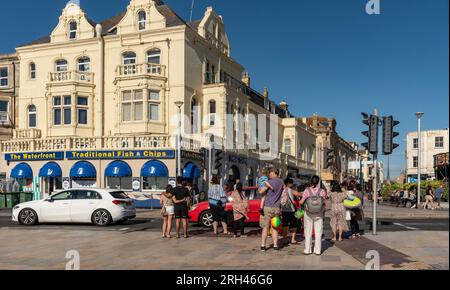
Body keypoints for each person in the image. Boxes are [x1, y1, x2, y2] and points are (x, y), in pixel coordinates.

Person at [300, 175, 327, 255]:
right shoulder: (322, 191)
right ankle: (317, 251)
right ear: (318, 182)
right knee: (318, 232)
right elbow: (324, 202)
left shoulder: (306, 190)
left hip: (308, 214)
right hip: (319, 214)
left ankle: (307, 250)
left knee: (308, 232)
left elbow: (301, 202)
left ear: (311, 181)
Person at [259, 168, 284, 251]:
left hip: (267, 207)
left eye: (270, 173)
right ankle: (275, 245)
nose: (269, 174)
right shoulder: (281, 182)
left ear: (274, 173)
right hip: (277, 208)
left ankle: (263, 245)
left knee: (265, 227)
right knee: (274, 227)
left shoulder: (269, 182)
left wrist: (262, 187)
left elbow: (261, 191)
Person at [281, 178, 302, 245]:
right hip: (291, 210)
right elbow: (299, 194)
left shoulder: (282, 190)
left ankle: (284, 239)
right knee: (294, 225)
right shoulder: (291, 190)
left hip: (283, 210)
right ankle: (292, 239)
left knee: (285, 225)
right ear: (290, 183)